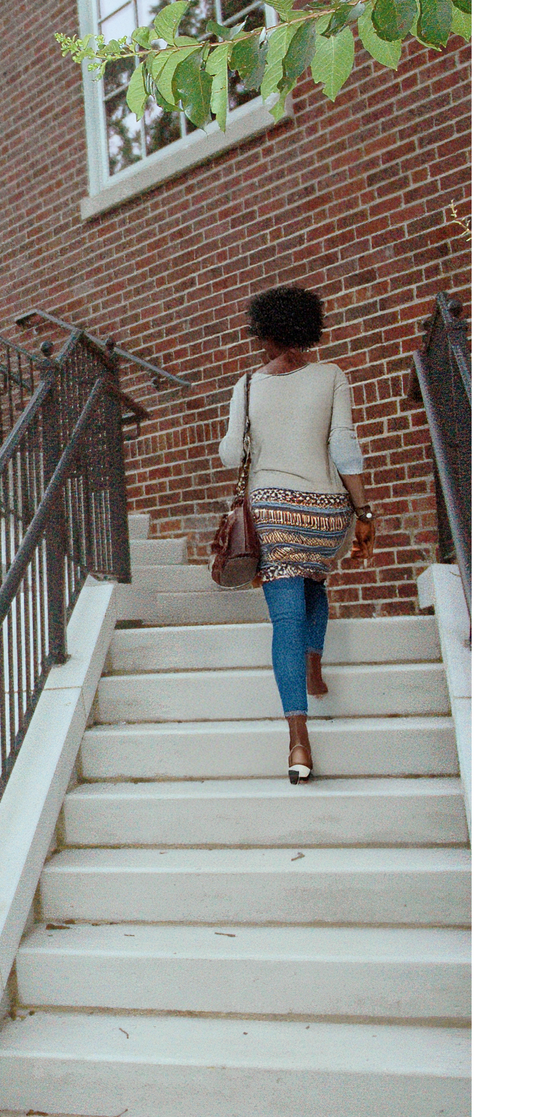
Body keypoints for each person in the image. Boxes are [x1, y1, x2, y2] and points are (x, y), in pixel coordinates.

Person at [218, 287, 378, 783]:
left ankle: (298, 742)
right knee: (314, 579)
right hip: (326, 510)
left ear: (263, 331)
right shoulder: (332, 376)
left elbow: (230, 455)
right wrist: (363, 510)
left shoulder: (246, 385)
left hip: (272, 510)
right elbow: (345, 448)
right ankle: (314, 668)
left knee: (284, 618)